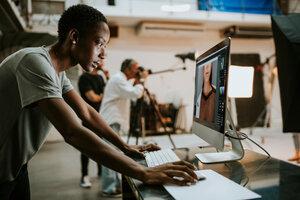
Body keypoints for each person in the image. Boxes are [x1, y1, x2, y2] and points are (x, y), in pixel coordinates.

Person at [0, 4, 198, 200]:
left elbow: (85, 112)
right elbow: (72, 131)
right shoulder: (34, 63)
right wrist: (141, 172)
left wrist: (124, 146)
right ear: (75, 37)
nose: (103, 54)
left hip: (16, 167)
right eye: (99, 43)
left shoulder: (56, 73)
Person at [99, 58, 148, 196]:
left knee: (114, 153)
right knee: (109, 154)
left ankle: (113, 185)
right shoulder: (117, 79)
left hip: (113, 121)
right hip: (111, 121)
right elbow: (135, 93)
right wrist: (142, 80)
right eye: (136, 68)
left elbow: (134, 93)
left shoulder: (121, 80)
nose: (138, 71)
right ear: (127, 70)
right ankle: (109, 188)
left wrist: (139, 81)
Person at [78, 60, 109, 188]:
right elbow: (93, 98)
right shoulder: (84, 78)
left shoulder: (101, 78)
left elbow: (103, 95)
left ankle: (101, 172)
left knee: (101, 144)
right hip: (88, 117)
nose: (102, 61)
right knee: (86, 146)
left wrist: (107, 78)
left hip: (100, 116)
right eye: (100, 60)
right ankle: (84, 176)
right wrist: (103, 94)